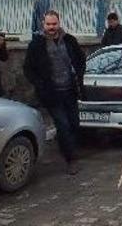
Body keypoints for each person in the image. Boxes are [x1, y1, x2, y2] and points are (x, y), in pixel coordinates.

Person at [22, 10, 86, 175]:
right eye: (48, 24)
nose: (51, 27)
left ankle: (67, 147)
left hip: (70, 90)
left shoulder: (69, 40)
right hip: (52, 93)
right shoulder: (37, 44)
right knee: (62, 124)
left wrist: (78, 75)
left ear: (59, 23)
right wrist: (40, 84)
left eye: (54, 24)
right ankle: (71, 159)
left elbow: (80, 59)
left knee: (73, 123)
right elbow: (28, 69)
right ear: (44, 24)